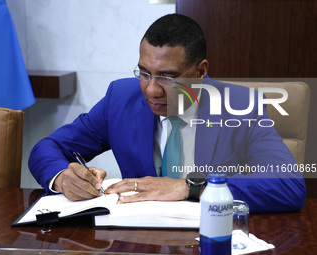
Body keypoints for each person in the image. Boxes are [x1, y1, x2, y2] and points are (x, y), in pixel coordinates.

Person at [29, 14, 306, 213]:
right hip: (138, 240)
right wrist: (62, 177)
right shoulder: (120, 99)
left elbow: (288, 185)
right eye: (144, 73)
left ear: (200, 72)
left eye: (167, 77)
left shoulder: (241, 105)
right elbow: (47, 148)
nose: (151, 90)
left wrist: (189, 187)